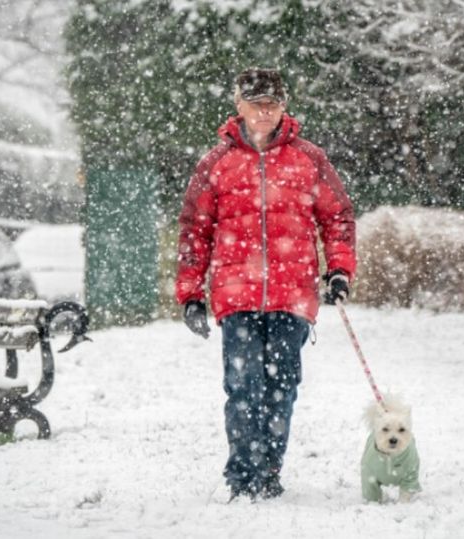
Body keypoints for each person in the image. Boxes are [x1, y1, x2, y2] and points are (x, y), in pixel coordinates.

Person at [175, 67, 356, 501]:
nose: (263, 111)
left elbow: (337, 217)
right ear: (238, 105)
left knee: (281, 388)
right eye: (255, 103)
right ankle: (242, 476)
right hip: (236, 295)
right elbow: (194, 231)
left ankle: (269, 471)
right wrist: (190, 294)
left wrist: (339, 269)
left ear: (284, 105)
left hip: (293, 295)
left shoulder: (309, 158)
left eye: (271, 103)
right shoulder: (215, 163)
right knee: (242, 388)